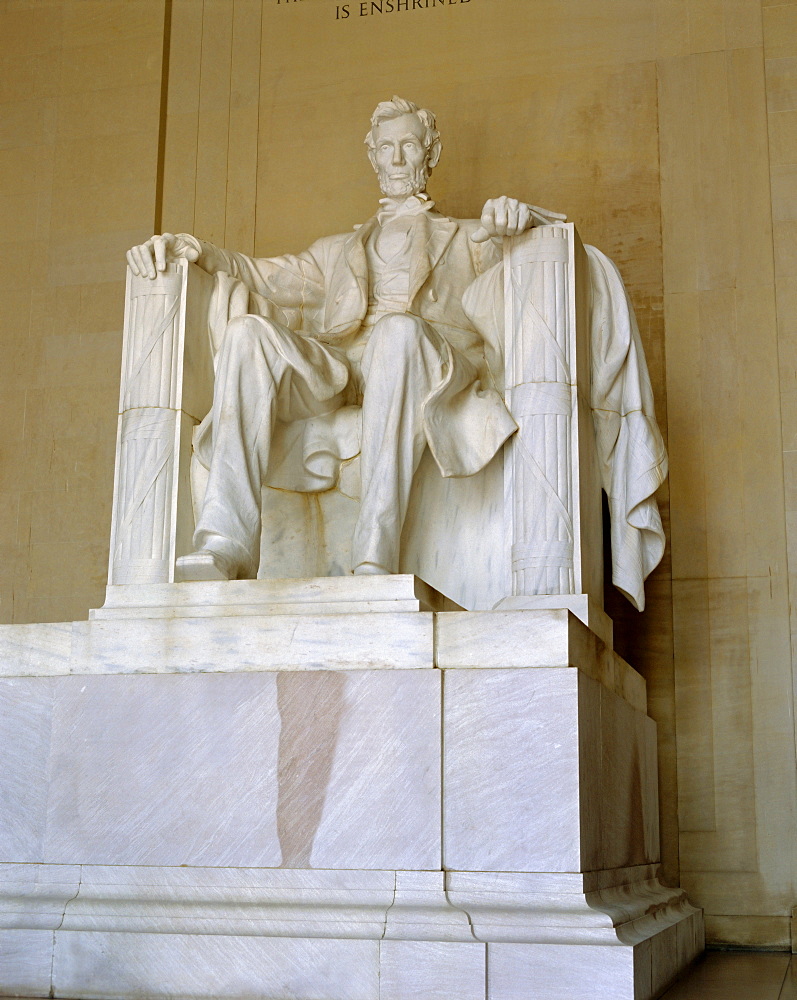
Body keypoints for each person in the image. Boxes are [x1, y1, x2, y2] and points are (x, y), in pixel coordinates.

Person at [126, 95, 565, 581]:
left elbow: (552, 244)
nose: (396, 159)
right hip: (342, 370)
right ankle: (225, 544)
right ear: (372, 156)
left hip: (424, 366)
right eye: (385, 147)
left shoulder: (470, 237)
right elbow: (263, 274)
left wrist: (519, 222)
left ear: (431, 154)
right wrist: (197, 249)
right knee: (246, 333)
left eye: (409, 146)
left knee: (397, 332)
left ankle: (374, 552)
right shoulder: (335, 252)